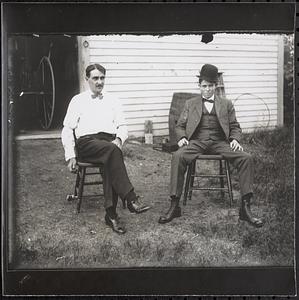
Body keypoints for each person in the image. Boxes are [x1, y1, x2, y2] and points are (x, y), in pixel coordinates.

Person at [158, 64, 263, 228]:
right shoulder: (190, 103)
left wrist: (235, 139)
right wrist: (182, 138)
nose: (207, 90)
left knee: (246, 158)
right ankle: (174, 205)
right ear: (199, 86)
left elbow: (235, 126)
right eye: (204, 86)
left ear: (215, 86)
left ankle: (246, 207)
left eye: (210, 86)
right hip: (196, 141)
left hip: (220, 142)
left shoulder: (226, 104)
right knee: (178, 156)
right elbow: (179, 125)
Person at [62, 63, 150, 235]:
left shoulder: (113, 100)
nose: (99, 82)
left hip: (108, 144)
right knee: (112, 151)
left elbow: (123, 126)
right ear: (87, 79)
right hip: (86, 143)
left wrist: (119, 138)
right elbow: (67, 129)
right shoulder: (77, 100)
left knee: (111, 155)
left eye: (102, 78)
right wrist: (70, 155)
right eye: (95, 78)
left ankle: (111, 215)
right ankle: (131, 198)